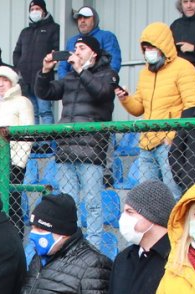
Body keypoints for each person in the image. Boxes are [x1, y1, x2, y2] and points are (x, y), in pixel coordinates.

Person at [35, 34, 117, 243]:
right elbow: (45, 92)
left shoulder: (107, 74)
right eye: (75, 48)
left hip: (91, 149)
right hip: (66, 149)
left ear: (94, 53)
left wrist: (81, 70)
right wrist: (45, 71)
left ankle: (94, 247)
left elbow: (102, 94)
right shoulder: (70, 78)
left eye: (81, 48)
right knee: (68, 203)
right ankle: (72, 244)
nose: (76, 52)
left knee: (92, 203)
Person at [117, 23, 195, 199]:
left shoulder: (183, 67)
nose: (148, 51)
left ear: (163, 46)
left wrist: (173, 138)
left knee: (174, 194)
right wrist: (125, 99)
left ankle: (175, 227)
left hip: (170, 145)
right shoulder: (145, 73)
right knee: (148, 197)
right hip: (146, 144)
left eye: (152, 46)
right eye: (145, 47)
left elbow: (192, 105)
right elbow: (138, 108)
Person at [0, 66, 35, 234]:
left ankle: (15, 236)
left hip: (13, 160)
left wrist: (19, 162)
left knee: (12, 202)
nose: (0, 84)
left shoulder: (22, 102)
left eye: (4, 80)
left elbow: (28, 134)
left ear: (12, 82)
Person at [12, 1, 61, 125]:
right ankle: (34, 143)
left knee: (45, 112)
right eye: (32, 9)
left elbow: (57, 50)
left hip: (43, 79)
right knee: (31, 112)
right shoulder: (25, 32)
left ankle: (47, 144)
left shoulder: (54, 28)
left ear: (44, 10)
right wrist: (20, 69)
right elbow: (17, 52)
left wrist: (48, 68)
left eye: (37, 8)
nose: (34, 11)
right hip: (26, 80)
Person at [60, 5, 122, 76]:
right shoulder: (71, 41)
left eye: (86, 17)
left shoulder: (106, 36)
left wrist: (98, 83)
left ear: (94, 20)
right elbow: (63, 67)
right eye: (79, 18)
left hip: (98, 83)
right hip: (73, 84)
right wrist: (66, 83)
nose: (82, 20)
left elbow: (114, 63)